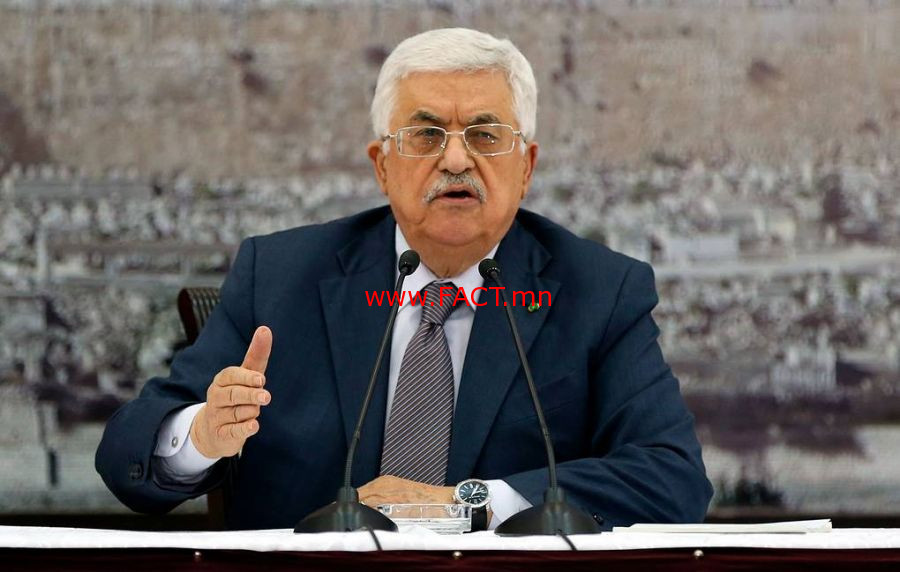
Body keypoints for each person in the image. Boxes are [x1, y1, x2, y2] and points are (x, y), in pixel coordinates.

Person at [96, 28, 712, 530]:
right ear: (383, 166)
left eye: (485, 135)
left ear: (526, 167)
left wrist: (470, 504)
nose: (455, 159)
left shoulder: (599, 292)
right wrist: (202, 434)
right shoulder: (280, 276)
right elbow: (126, 452)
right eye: (425, 135)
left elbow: (672, 479)